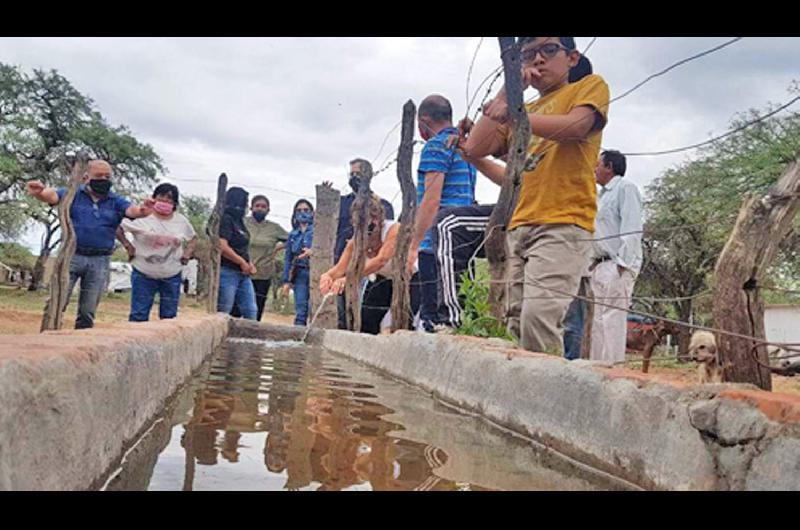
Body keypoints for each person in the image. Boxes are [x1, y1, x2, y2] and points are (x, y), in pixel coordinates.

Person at [464, 37, 610, 353]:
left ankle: (546, 398)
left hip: (564, 223)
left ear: (572, 58)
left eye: (549, 49)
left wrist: (514, 115)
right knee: (516, 320)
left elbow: (576, 126)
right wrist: (509, 90)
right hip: (521, 225)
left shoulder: (588, 88)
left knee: (538, 317)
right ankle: (526, 394)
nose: (539, 60)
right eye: (529, 54)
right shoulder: (525, 109)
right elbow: (476, 147)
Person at [26, 159, 154, 329]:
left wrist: (145, 209)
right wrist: (39, 192)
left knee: (88, 310)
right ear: (86, 177)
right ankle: (49, 335)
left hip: (99, 260)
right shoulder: (72, 194)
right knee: (57, 301)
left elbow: (134, 211)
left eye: (107, 176)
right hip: (70, 256)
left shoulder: (116, 201)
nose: (103, 179)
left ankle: (81, 343)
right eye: (98, 175)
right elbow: (53, 195)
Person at [406, 94, 477, 333]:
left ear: (423, 121)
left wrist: (415, 245)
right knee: (459, 313)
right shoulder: (465, 147)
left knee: (434, 318)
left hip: (435, 243)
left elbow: (431, 200)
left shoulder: (436, 146)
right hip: (464, 241)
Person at [320, 193, 420, 334]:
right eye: (362, 220)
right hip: (382, 279)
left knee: (402, 324)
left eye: (372, 218)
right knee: (366, 321)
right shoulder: (356, 241)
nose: (368, 224)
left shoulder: (394, 230)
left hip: (410, 279)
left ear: (380, 218)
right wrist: (327, 276)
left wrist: (350, 278)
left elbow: (381, 260)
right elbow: (339, 269)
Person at [589, 150, 643, 363]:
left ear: (609, 167)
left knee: (612, 319)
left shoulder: (625, 188)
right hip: (600, 264)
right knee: (599, 321)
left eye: (597, 165)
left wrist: (622, 265)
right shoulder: (601, 195)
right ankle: (597, 368)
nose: (594, 169)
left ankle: (612, 370)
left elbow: (632, 227)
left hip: (617, 264)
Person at [116, 183, 197, 322]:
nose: (165, 201)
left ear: (175, 203)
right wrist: (128, 245)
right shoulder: (141, 217)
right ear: (154, 198)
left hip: (171, 274)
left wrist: (187, 254)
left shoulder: (181, 221)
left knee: (169, 317)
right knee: (139, 315)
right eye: (161, 197)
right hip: (144, 273)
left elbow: (193, 238)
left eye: (169, 199)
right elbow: (117, 227)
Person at [335, 159, 395, 330]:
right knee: (340, 310)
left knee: (363, 311)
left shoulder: (382, 205)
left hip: (371, 268)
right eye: (351, 174)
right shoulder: (340, 203)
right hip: (343, 259)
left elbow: (384, 243)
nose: (354, 177)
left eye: (358, 174)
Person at [245, 194, 289, 322]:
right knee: (237, 308)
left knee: (257, 309)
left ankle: (252, 336)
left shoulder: (274, 228)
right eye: (257, 206)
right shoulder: (243, 222)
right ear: (251, 208)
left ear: (268, 210)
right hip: (242, 271)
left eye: (263, 206)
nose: (260, 209)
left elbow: (291, 240)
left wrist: (278, 248)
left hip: (263, 274)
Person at [217, 187, 258, 319]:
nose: (246, 207)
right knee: (224, 311)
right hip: (228, 271)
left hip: (243, 274)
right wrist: (241, 262)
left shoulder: (240, 222)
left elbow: (243, 247)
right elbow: (222, 246)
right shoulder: (225, 219)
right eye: (245, 203)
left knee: (251, 311)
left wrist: (249, 264)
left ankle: (249, 338)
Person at [282, 199, 314, 326]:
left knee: (317, 310)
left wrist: (313, 252)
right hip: (299, 274)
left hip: (317, 273)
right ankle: (298, 341)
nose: (302, 213)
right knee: (301, 311)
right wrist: (286, 281)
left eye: (306, 210)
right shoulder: (293, 235)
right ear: (294, 214)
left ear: (312, 213)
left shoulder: (319, 231)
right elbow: (288, 258)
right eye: (299, 210)